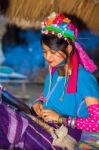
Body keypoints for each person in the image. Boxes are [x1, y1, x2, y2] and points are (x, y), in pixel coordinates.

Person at [0, 12, 99, 150]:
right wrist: (38, 103)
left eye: (52, 52)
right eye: (44, 51)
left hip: (60, 138)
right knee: (3, 100)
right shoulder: (52, 74)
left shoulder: (84, 79)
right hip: (41, 125)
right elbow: (46, 98)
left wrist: (61, 119)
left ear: (69, 47)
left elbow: (97, 122)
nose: (47, 57)